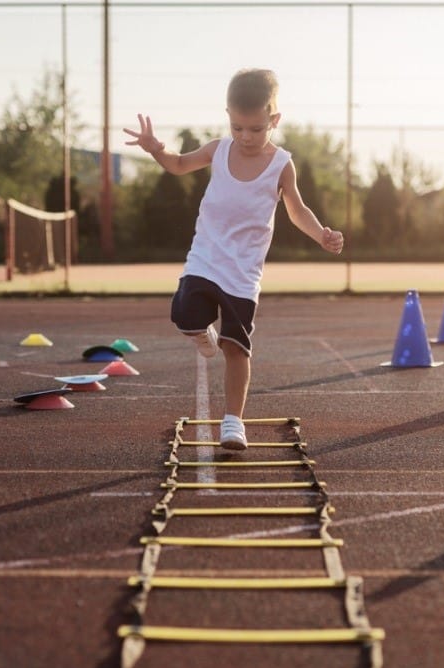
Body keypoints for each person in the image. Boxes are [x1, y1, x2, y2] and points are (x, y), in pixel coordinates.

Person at [124, 68, 344, 450]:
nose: (245, 137)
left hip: (243, 273)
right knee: (183, 314)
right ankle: (201, 335)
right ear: (228, 115)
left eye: (256, 129)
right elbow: (178, 165)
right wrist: (156, 148)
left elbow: (296, 210)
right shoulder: (217, 149)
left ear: (274, 120)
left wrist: (321, 233)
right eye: (237, 127)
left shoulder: (281, 165)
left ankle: (233, 422)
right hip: (206, 258)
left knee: (236, 348)